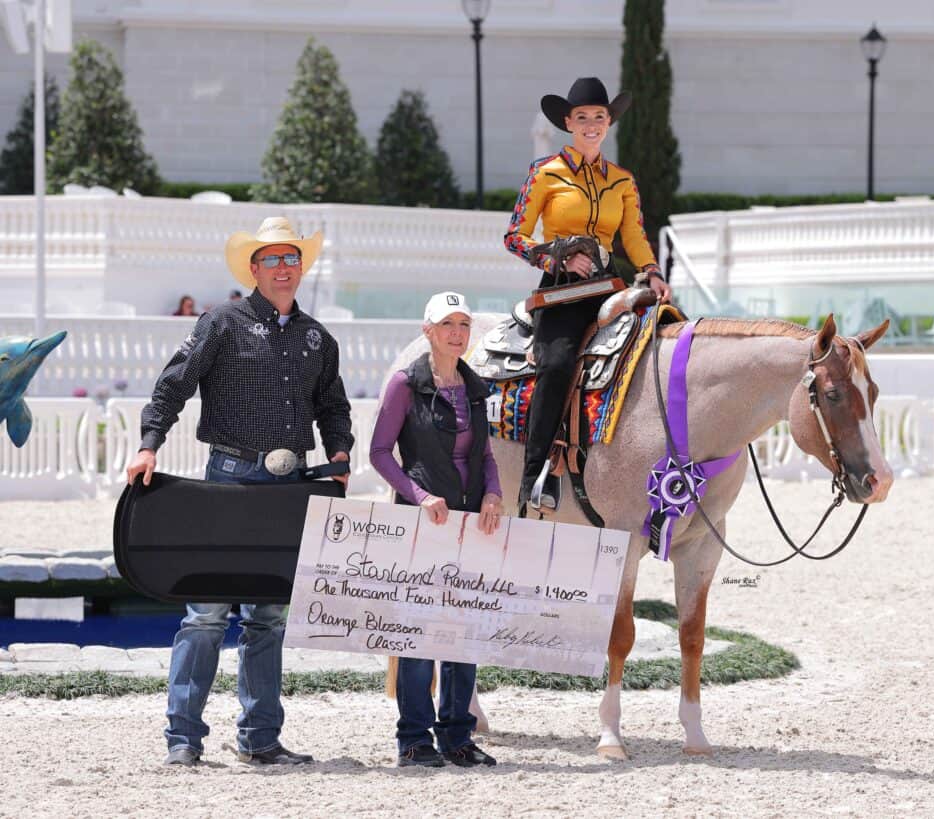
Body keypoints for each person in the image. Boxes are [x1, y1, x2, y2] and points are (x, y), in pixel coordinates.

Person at [126, 216, 354, 767]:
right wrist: (149, 444)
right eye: (272, 258)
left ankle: (260, 739)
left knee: (269, 618)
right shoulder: (220, 323)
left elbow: (333, 404)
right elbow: (173, 384)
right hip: (228, 480)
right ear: (253, 269)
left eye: (291, 258)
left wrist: (341, 453)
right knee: (205, 614)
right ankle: (183, 738)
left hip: (290, 486)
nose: (283, 267)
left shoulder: (318, 338)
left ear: (302, 268)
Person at [503, 77, 672, 509]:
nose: (592, 124)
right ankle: (534, 475)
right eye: (583, 118)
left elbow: (632, 235)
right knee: (558, 363)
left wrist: (650, 270)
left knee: (655, 352)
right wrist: (555, 260)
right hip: (561, 291)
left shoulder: (623, 181)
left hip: (609, 286)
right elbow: (515, 237)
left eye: (600, 117)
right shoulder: (545, 173)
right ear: (568, 122)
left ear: (608, 122)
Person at [369, 291, 503, 769]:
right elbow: (380, 453)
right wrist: (420, 496)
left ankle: (457, 737)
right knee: (420, 635)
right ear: (428, 331)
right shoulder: (406, 384)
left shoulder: (475, 387)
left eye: (464, 324)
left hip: (470, 520)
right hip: (423, 523)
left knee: (464, 632)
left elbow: (485, 455)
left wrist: (492, 493)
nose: (458, 333)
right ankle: (414, 739)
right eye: (448, 324)